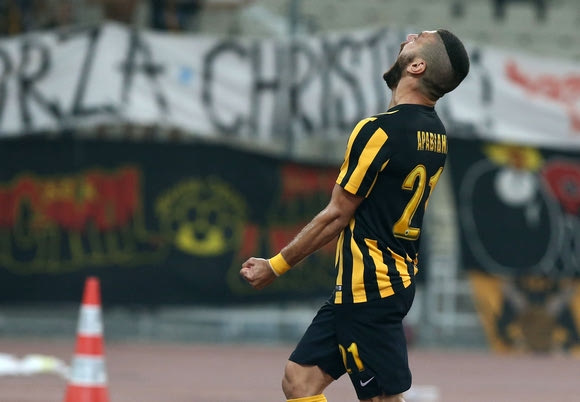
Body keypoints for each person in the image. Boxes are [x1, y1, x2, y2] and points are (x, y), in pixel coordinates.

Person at [240, 29, 470, 402]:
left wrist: (276, 265)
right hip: (379, 283)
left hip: (371, 288)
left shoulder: (379, 130)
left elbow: (336, 215)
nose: (409, 36)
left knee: (382, 399)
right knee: (299, 381)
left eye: (418, 39)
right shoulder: (436, 134)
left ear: (417, 66)